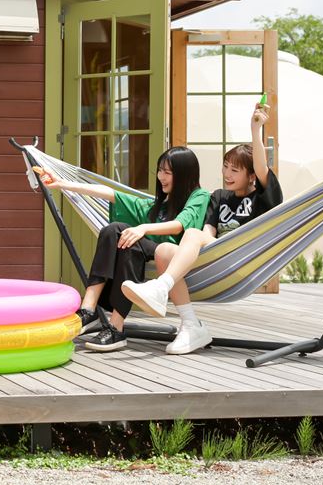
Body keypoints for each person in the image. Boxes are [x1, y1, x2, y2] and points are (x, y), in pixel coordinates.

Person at [121, 102, 282, 354]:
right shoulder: (217, 196)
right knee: (165, 250)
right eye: (225, 167)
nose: (227, 174)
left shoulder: (263, 197)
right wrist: (206, 249)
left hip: (244, 255)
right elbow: (209, 233)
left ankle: (161, 287)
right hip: (217, 255)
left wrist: (255, 131)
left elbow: (262, 167)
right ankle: (190, 325)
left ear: (251, 176)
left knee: (191, 234)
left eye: (235, 170)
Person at [39, 147, 210, 352]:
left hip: (180, 258)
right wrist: (62, 183)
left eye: (168, 172)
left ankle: (116, 326)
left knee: (131, 241)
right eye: (159, 170)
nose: (161, 177)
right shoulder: (158, 205)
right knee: (113, 231)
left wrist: (143, 228)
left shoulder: (199, 196)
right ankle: (89, 308)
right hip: (152, 252)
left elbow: (181, 224)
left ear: (184, 174)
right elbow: (114, 195)